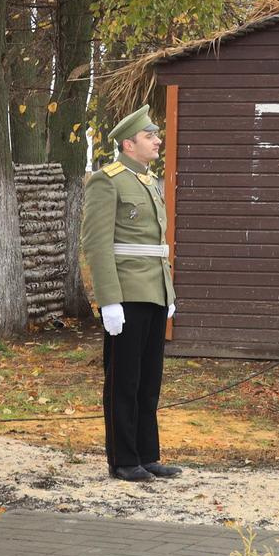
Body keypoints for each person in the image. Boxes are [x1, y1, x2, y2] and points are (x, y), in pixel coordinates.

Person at [81, 105, 178, 482]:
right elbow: (97, 243)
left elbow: (156, 244)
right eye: (150, 136)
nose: (157, 141)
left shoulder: (149, 183)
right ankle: (123, 458)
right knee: (124, 380)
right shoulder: (108, 181)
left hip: (153, 289)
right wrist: (108, 299)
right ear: (128, 143)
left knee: (149, 378)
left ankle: (147, 453)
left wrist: (167, 291)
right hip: (126, 292)